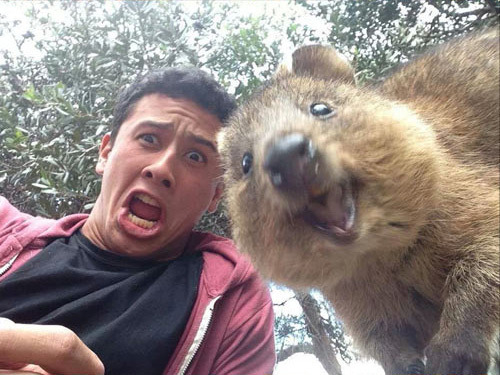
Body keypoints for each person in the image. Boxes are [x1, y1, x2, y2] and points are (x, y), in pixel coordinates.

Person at [0, 68, 276, 375]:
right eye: (149, 138)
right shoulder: (5, 228)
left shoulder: (236, 300)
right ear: (105, 153)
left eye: (195, 156)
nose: (161, 169)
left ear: (216, 195)